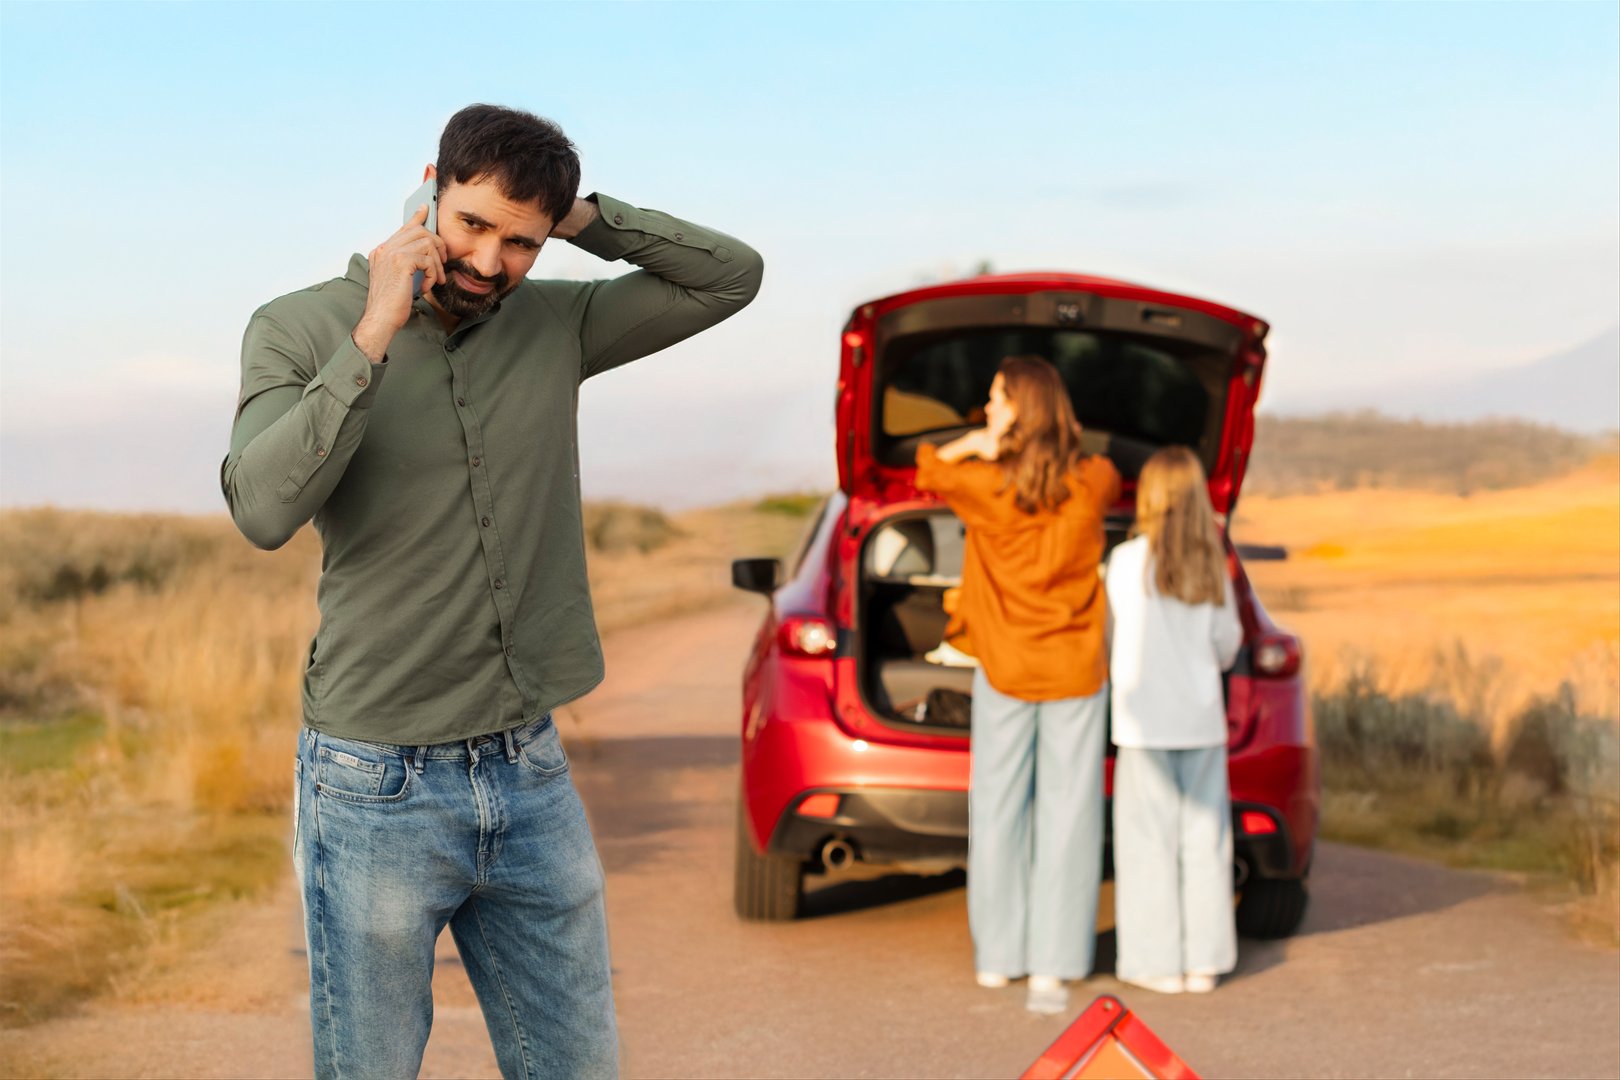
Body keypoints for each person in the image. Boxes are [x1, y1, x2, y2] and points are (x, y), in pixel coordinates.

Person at [221, 104, 762, 1079]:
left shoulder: (559, 324)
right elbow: (261, 511)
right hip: (372, 781)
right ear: (429, 184)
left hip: (529, 770)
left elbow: (733, 275)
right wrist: (375, 330)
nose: (491, 262)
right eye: (473, 224)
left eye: (523, 241)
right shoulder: (297, 327)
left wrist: (584, 217)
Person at [914, 355, 1122, 1015]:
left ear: (1019, 410)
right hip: (1074, 670)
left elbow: (928, 468)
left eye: (997, 399)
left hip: (1004, 667)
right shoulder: (1093, 481)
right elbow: (1104, 468)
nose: (986, 406)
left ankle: (998, 958)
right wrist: (1056, 432)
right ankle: (1054, 969)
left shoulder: (986, 486)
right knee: (1069, 814)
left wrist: (978, 443)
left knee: (999, 809)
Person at [1105, 445, 1243, 995]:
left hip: (1142, 728)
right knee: (1205, 842)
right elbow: (1227, 645)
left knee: (1147, 845)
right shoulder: (1213, 566)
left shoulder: (1125, 562)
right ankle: (1203, 963)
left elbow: (1110, 638)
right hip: (1201, 723)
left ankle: (1155, 963)